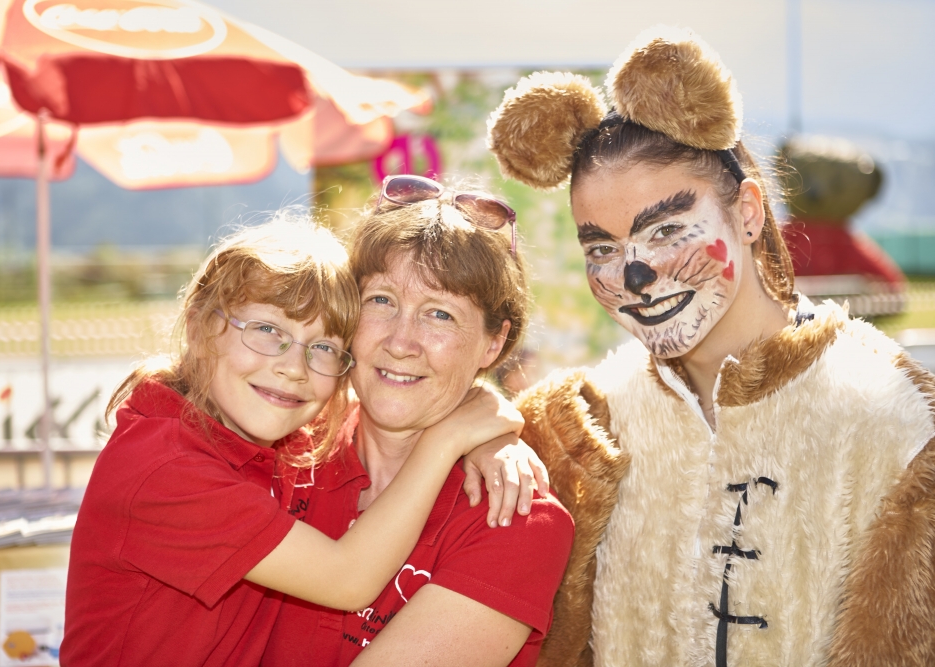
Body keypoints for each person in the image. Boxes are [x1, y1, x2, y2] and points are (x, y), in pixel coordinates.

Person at [485, 27, 935, 667]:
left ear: (748, 212)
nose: (633, 275)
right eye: (602, 249)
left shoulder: (894, 418)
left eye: (666, 228)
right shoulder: (579, 428)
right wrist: (484, 432)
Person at [61, 214, 548, 667]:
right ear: (200, 326)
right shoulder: (172, 465)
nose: (292, 367)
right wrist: (449, 436)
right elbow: (347, 578)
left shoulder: (262, 442)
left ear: (494, 343)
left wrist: (482, 434)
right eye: (381, 300)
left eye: (321, 348)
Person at [263, 176, 575, 666]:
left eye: (440, 315)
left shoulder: (513, 515)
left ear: (494, 343)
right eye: (382, 301)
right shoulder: (278, 448)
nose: (400, 342)